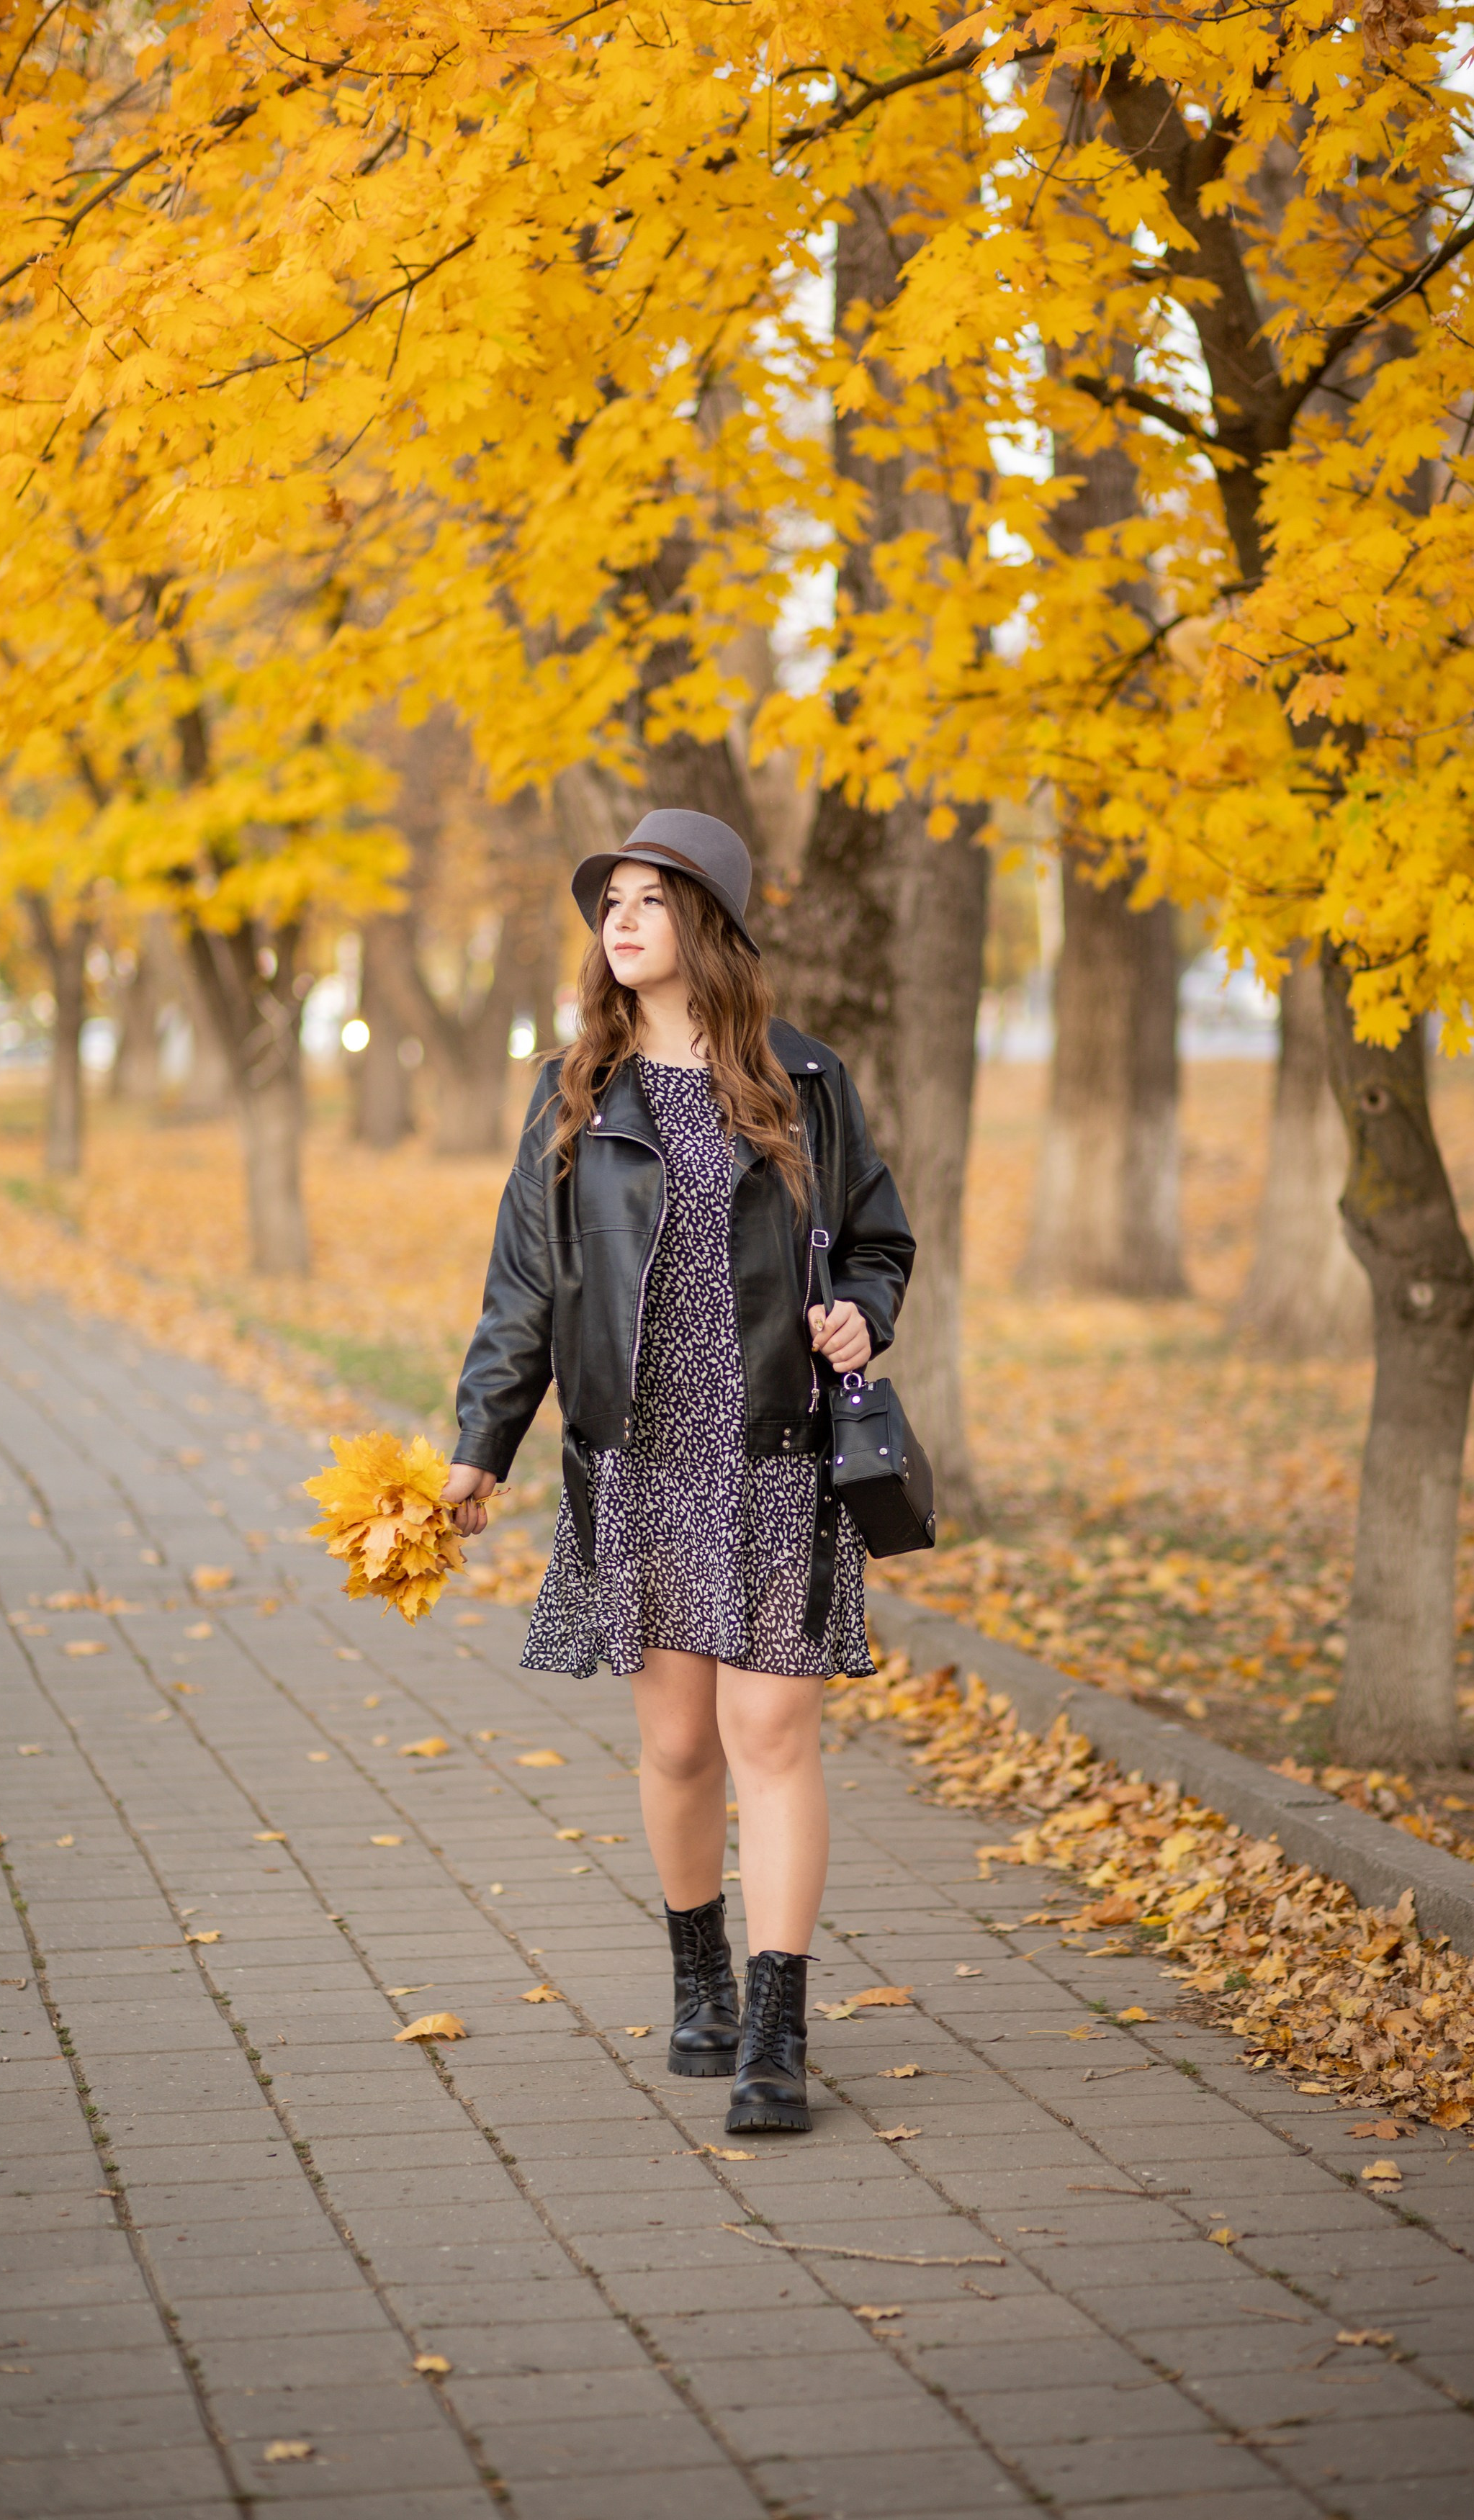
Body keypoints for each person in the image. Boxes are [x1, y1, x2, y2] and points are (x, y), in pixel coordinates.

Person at [444, 809, 915, 2134]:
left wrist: (861, 1314)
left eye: (653, 898)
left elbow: (879, 1237)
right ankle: (697, 1976)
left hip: (774, 1453)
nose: (623, 919)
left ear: (708, 923)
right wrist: (480, 1449)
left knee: (772, 1733)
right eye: (612, 903)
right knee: (676, 1741)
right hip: (641, 1460)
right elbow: (524, 1293)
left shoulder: (805, 1082)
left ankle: (777, 2027)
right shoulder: (574, 1091)